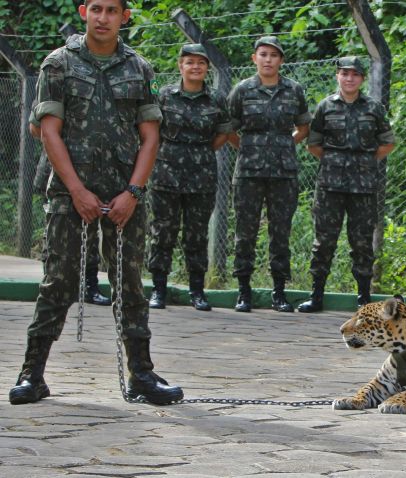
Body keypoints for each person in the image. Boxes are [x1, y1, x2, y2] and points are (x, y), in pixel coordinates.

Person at [9, 0, 183, 405]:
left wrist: (133, 193)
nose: (103, 18)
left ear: (124, 17)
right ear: (84, 11)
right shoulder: (59, 64)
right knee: (58, 282)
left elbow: (150, 137)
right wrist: (77, 191)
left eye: (112, 10)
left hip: (125, 196)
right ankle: (31, 375)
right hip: (72, 194)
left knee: (130, 285)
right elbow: (47, 132)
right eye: (96, 9)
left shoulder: (139, 68)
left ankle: (142, 374)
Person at [297, 56, 395, 313]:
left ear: (362, 79)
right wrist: (335, 161)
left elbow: (387, 142)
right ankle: (316, 295)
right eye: (344, 73)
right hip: (330, 185)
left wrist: (364, 162)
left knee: (362, 242)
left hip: (363, 186)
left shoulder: (373, 108)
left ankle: (364, 298)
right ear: (337, 76)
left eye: (355, 74)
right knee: (324, 241)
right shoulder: (325, 107)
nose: (349, 78)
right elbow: (314, 144)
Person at [227, 36, 311, 313]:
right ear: (254, 59)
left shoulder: (293, 90)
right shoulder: (242, 91)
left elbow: (303, 127)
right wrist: (249, 148)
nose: (268, 60)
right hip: (249, 173)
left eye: (274, 55)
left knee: (280, 233)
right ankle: (243, 291)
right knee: (245, 231)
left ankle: (279, 292)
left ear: (281, 61)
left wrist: (285, 145)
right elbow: (229, 130)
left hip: (283, 174)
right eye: (263, 54)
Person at [146, 43, 231, 311]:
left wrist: (199, 151)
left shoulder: (217, 99)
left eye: (201, 63)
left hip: (201, 175)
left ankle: (197, 291)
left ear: (207, 68)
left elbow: (221, 135)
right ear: (180, 66)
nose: (195, 67)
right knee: (162, 232)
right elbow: (152, 131)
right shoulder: (165, 95)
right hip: (165, 173)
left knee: (196, 236)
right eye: (190, 62)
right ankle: (158, 289)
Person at [30, 105, 111, 307]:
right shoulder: (54, 79)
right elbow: (34, 127)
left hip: (94, 169)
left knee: (91, 229)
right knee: (55, 232)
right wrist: (68, 139)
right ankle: (52, 284)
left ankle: (90, 285)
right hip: (57, 170)